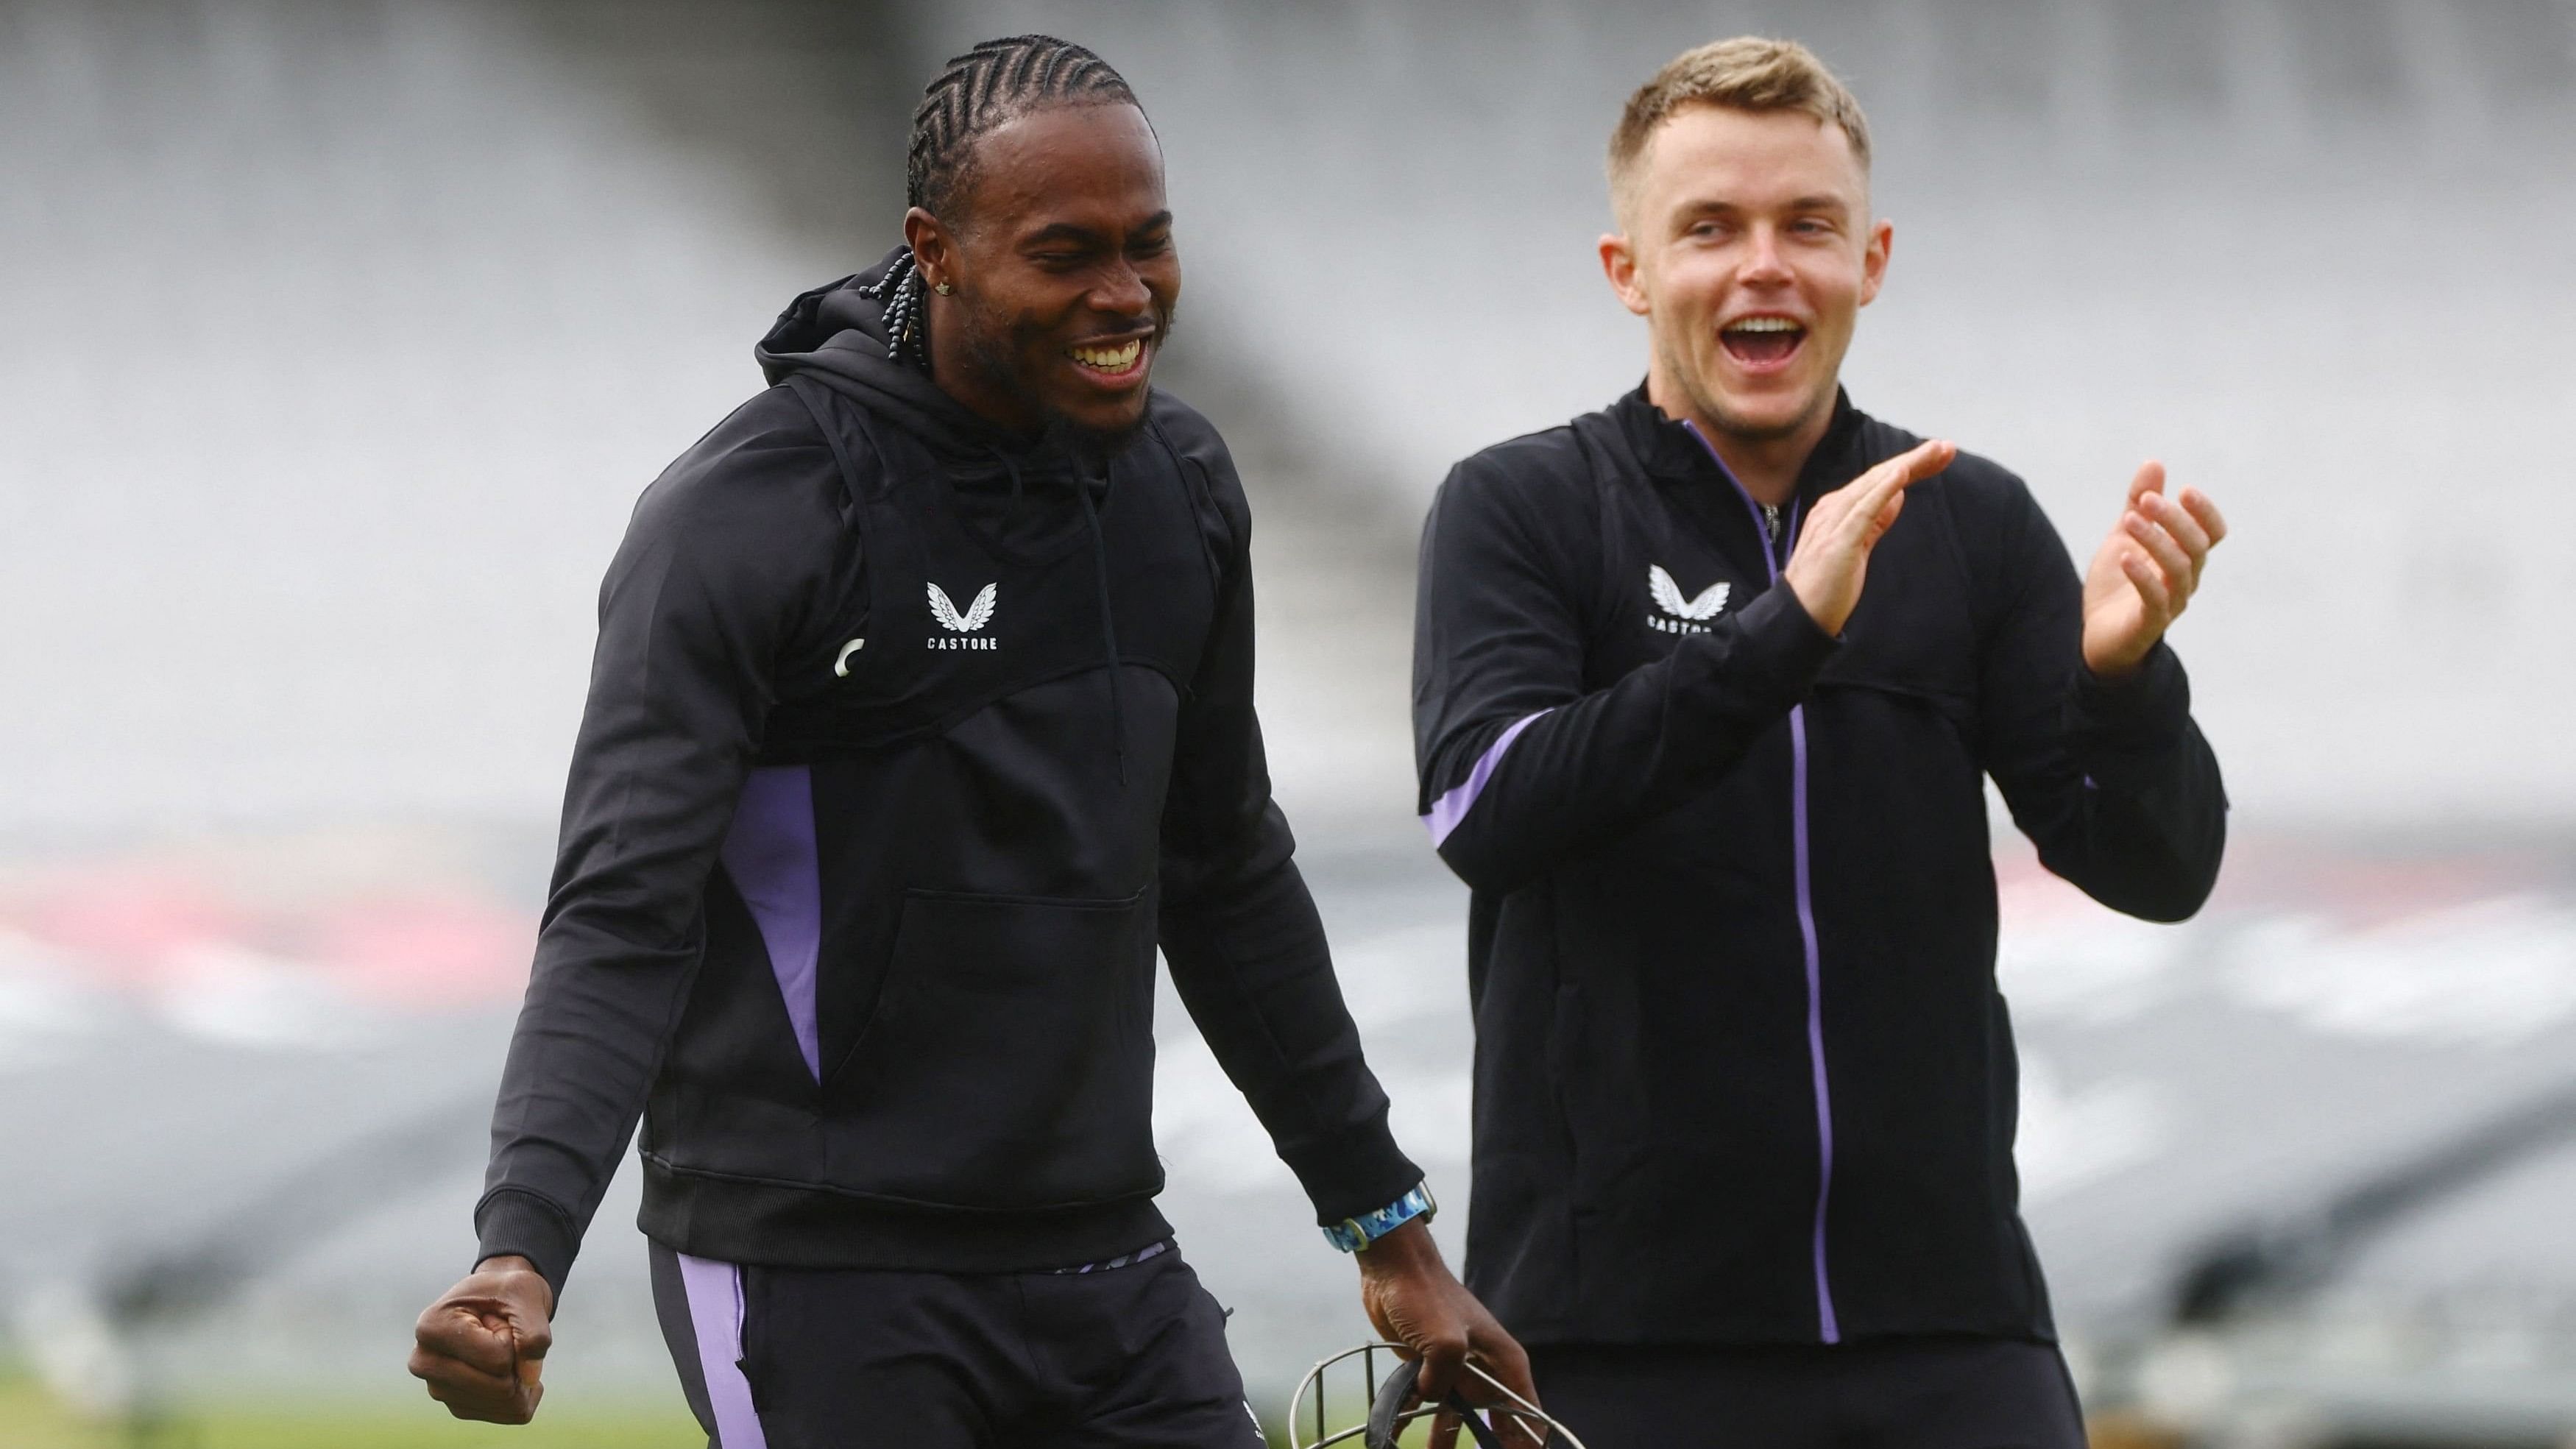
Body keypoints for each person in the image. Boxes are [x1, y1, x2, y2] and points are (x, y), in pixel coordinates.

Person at [408, 35, 1530, 1449]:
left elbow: (1227, 871)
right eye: (1067, 253)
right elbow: (622, 914)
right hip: (806, 1272)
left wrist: (1390, 1228)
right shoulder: (746, 518)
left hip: (1102, 1255)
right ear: (934, 249)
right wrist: (523, 1244)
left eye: (1151, 246)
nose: (1126, 297)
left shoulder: (1181, 485)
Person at [1410, 36, 2229, 1449]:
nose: (1764, 265)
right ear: (1628, 271)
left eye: (1808, 225)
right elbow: (1490, 807)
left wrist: (2125, 681)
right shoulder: (1521, 509)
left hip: (1950, 1326)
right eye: (1710, 227)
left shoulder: (1971, 522)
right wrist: (1781, 634)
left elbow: (2159, 869)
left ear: (1874, 257)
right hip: (1615, 1339)